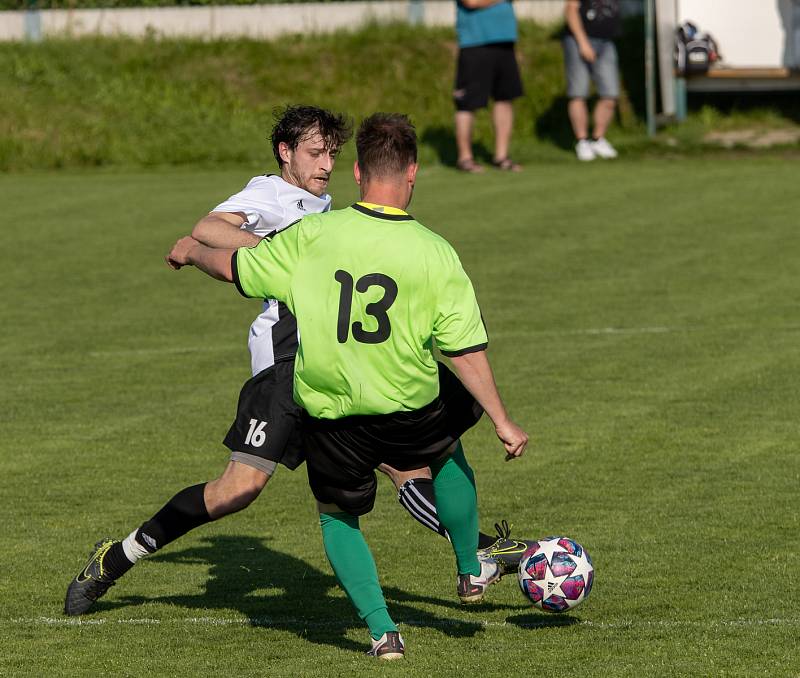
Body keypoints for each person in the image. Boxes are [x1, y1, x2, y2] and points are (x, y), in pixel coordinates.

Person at [64, 105, 532, 618]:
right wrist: (280, 250)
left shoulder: (325, 209)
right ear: (285, 153)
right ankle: (118, 556)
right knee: (236, 491)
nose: (325, 164)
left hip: (332, 362)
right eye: (314, 152)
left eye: (332, 153)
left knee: (405, 463)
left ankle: (477, 554)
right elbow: (208, 228)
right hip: (284, 367)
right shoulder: (270, 194)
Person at [453, 0, 524, 173]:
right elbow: (472, 2)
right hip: (475, 43)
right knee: (467, 103)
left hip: (505, 42)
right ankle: (465, 158)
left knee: (504, 98)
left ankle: (501, 157)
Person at [563, 0, 622, 161]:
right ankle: (582, 141)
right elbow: (570, 9)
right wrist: (582, 43)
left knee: (610, 94)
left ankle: (597, 139)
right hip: (579, 41)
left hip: (606, 41)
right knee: (578, 92)